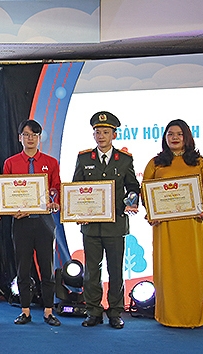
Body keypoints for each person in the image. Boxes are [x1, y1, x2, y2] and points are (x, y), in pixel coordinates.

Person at [142, 119, 203, 328]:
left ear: (187, 137)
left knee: (192, 269)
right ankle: (168, 316)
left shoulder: (199, 162)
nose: (174, 138)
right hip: (165, 226)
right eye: (170, 134)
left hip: (191, 225)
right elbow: (146, 191)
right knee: (168, 269)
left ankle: (194, 315)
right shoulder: (156, 162)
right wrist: (151, 212)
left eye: (179, 134)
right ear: (165, 138)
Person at [72, 111, 139, 329]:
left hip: (115, 224)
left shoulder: (124, 159)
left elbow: (132, 187)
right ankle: (93, 311)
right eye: (97, 132)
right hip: (91, 226)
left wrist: (132, 199)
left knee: (116, 270)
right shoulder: (84, 158)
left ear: (114, 135)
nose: (101, 136)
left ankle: (116, 312)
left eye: (106, 132)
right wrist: (77, 212)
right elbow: (76, 189)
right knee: (92, 271)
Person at [2, 120, 61, 326]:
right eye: (26, 135)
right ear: (20, 137)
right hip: (21, 223)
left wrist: (55, 202)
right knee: (23, 267)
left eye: (34, 135)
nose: (30, 139)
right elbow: (6, 193)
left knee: (47, 267)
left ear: (39, 138)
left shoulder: (51, 162)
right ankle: (25, 311)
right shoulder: (10, 163)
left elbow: (56, 189)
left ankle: (48, 311)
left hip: (45, 222)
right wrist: (11, 211)